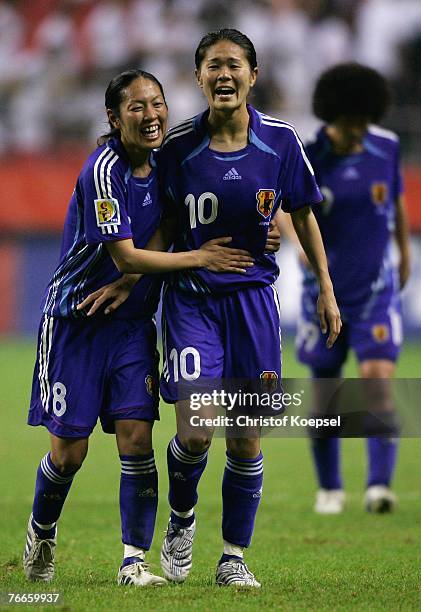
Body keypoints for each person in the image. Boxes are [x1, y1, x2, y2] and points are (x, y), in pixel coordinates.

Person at [23, 68, 256, 587]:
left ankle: (134, 560)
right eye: (137, 107)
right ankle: (42, 531)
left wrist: (256, 236)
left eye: (157, 104)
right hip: (76, 322)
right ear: (114, 117)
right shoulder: (103, 171)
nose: (151, 115)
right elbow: (126, 253)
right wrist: (200, 258)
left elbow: (185, 216)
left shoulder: (167, 162)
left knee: (136, 439)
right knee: (70, 453)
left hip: (131, 326)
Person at [156, 29, 341, 587]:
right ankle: (182, 521)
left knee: (247, 434)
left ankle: (233, 556)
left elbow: (304, 213)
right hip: (193, 301)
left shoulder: (282, 142)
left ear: (253, 75)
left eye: (234, 65)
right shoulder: (178, 148)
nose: (224, 75)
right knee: (196, 428)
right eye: (213, 65)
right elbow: (161, 222)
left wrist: (326, 289)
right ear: (198, 77)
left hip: (256, 303)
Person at [293, 63, 411, 514]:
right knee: (327, 392)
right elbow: (287, 208)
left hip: (375, 288)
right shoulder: (308, 155)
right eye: (351, 124)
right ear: (331, 116)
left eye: (365, 122)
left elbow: (396, 198)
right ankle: (330, 488)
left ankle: (379, 486)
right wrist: (299, 246)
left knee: (377, 382)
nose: (359, 132)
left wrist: (405, 249)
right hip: (323, 292)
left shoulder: (387, 147)